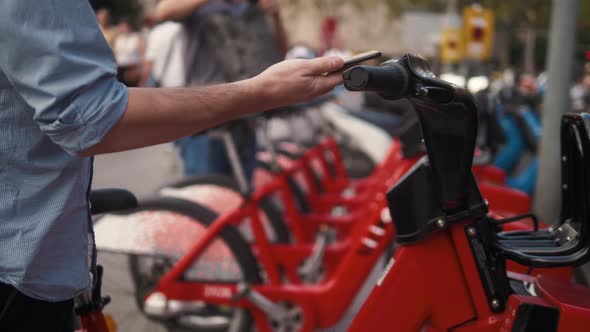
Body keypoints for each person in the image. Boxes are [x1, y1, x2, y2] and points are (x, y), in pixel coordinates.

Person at [0, 0, 343, 330]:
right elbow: (91, 117)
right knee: (206, 220)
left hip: (237, 121)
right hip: (18, 267)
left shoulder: (247, 9)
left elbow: (273, 50)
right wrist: (259, 93)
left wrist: (273, 26)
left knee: (234, 212)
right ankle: (199, 294)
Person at [150, 0, 288, 179]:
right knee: (206, 192)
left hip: (244, 119)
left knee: (243, 195)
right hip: (207, 122)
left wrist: (276, 18)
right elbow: (163, 11)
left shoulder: (251, 8)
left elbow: (280, 55)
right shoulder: (203, 7)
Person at [113, 19, 144, 87]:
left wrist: (139, 69)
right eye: (121, 26)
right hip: (120, 68)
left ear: (129, 27)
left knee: (132, 89)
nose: (122, 28)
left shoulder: (136, 38)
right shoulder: (118, 38)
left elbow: (142, 55)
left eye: (124, 26)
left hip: (132, 68)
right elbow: (115, 54)